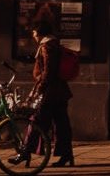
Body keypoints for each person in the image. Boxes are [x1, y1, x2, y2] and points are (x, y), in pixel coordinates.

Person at [15, 23, 74, 167]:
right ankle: (67, 155)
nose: (33, 35)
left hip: (50, 93)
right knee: (61, 125)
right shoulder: (54, 44)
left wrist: (39, 88)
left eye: (34, 32)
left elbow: (49, 71)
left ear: (40, 33)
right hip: (60, 92)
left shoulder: (47, 47)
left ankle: (25, 153)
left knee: (35, 121)